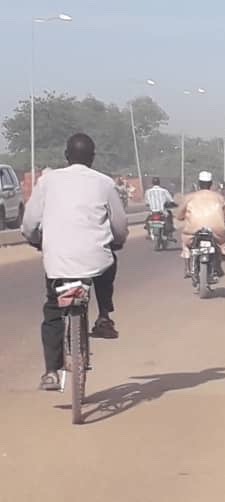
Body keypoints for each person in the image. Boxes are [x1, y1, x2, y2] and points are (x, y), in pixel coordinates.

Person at [22, 134, 129, 390]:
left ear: (66, 155)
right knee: (108, 262)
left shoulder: (47, 181)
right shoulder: (104, 183)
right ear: (92, 158)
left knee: (53, 311)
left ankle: (50, 372)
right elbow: (119, 225)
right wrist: (118, 240)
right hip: (96, 259)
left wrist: (35, 240)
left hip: (58, 260)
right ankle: (104, 316)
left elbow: (30, 222)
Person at [176, 171, 225, 278]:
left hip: (193, 230)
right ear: (210, 184)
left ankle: (187, 268)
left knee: (186, 244)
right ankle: (218, 265)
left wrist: (183, 217)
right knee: (220, 244)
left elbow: (179, 215)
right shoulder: (219, 197)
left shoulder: (189, 197)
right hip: (216, 230)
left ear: (199, 184)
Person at [144, 177, 176, 242]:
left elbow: (147, 203)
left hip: (153, 212)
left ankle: (149, 233)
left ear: (152, 183)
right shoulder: (164, 191)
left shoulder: (148, 191)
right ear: (159, 183)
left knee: (147, 221)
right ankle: (170, 235)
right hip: (162, 211)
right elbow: (171, 200)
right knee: (169, 215)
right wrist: (174, 204)